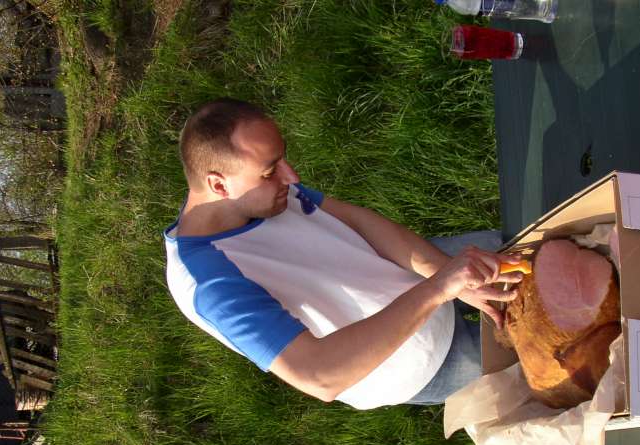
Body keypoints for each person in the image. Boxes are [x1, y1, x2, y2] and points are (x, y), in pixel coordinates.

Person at [164, 98, 524, 409]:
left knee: (540, 252)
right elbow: (319, 376)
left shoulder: (260, 194)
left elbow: (358, 222)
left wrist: (440, 271)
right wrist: (440, 288)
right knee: (543, 361)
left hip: (423, 274)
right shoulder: (210, 283)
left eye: (282, 159)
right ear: (218, 184)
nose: (291, 177)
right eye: (271, 171)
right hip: (418, 361)